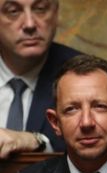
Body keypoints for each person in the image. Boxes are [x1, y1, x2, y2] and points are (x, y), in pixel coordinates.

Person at [0, 0, 81, 159]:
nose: (29, 24)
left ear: (56, 13)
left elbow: (94, 150)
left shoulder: (82, 73)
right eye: (13, 11)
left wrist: (37, 141)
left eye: (40, 9)